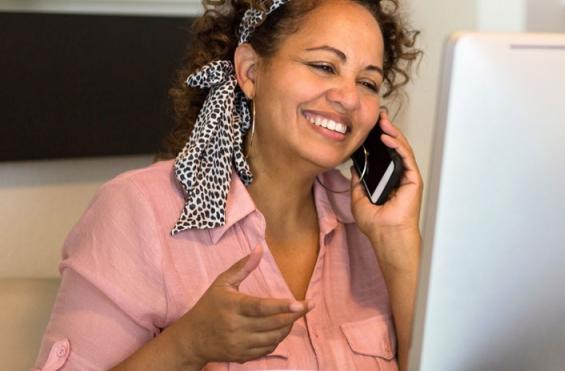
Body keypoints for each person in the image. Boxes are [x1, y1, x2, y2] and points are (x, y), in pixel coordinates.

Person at [33, 0, 422, 370]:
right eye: (323, 66)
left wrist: (399, 246)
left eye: (368, 83)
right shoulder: (139, 209)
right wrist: (188, 345)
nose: (349, 98)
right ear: (250, 71)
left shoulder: (374, 227)